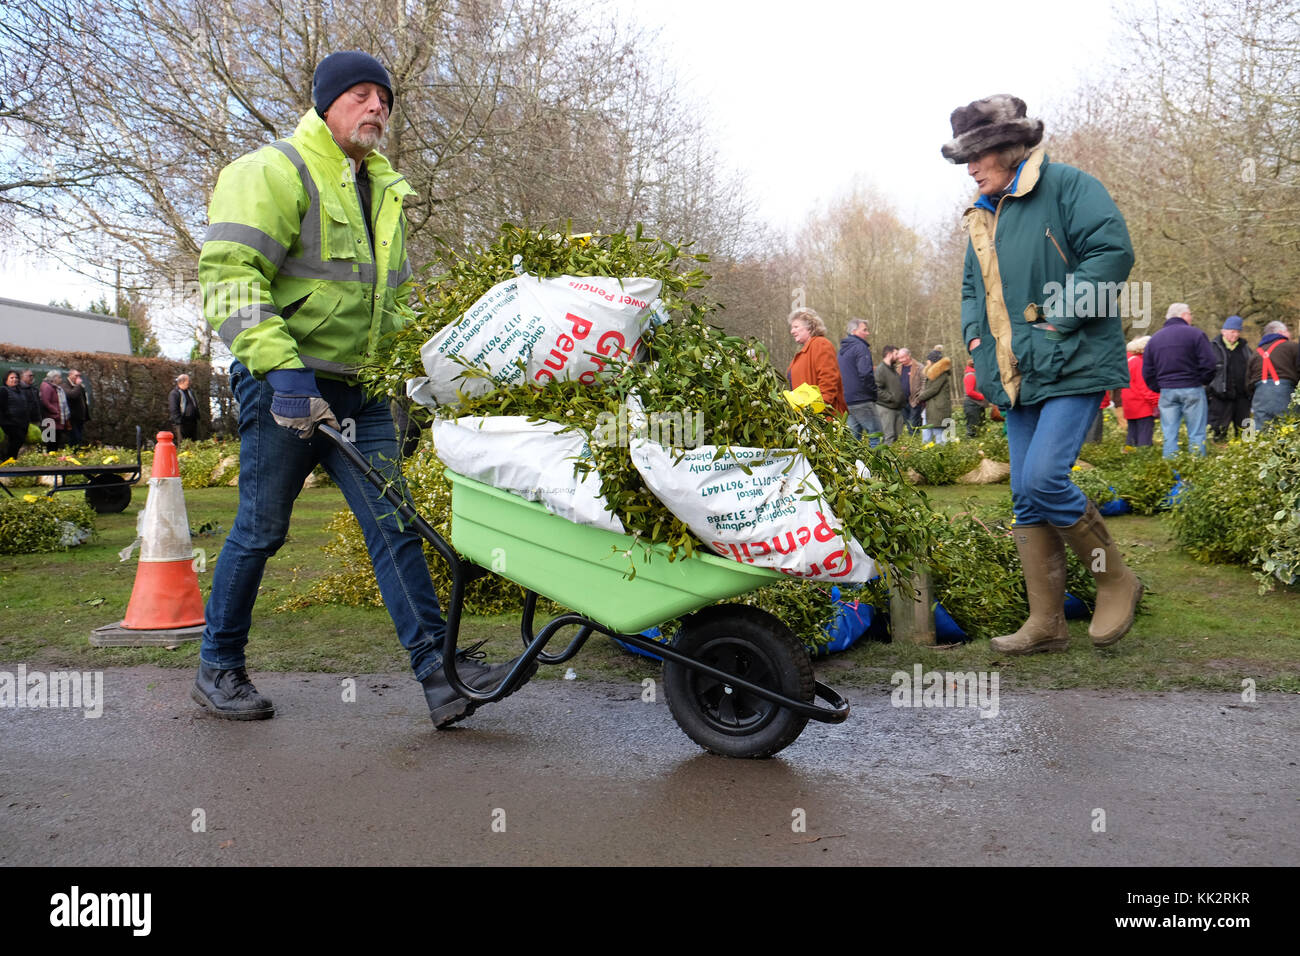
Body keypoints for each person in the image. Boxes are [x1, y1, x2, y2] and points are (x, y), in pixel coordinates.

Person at [195, 50, 534, 726]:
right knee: (262, 530)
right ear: (325, 103)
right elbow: (231, 279)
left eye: (384, 98)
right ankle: (217, 668)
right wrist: (287, 377)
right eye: (359, 94)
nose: (376, 106)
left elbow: (396, 303)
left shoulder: (386, 193)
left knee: (395, 526)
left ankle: (442, 677)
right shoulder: (272, 172)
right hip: (285, 388)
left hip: (362, 392)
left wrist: (415, 381)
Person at [945, 93, 1142, 655]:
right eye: (966, 160)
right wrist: (979, 344)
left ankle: (1115, 578)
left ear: (1007, 149)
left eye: (977, 156)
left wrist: (1059, 316)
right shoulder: (983, 213)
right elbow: (970, 290)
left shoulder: (1070, 186)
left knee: (1043, 480)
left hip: (1073, 361)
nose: (971, 168)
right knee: (1025, 498)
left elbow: (1111, 253)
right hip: (1015, 374)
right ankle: (1047, 623)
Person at [1142, 303, 1216, 457]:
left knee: (1169, 435)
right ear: (1183, 315)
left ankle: (1172, 472)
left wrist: (1159, 386)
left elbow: (1147, 370)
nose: (1191, 317)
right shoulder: (1196, 334)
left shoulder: (1155, 339)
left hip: (1167, 390)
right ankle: (1196, 469)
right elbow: (1209, 363)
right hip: (1192, 387)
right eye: (1190, 314)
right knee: (1196, 433)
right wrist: (1202, 381)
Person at [786, 307, 847, 414]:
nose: (792, 331)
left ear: (810, 327)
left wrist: (819, 408)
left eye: (796, 326)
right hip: (808, 415)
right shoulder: (805, 352)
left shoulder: (820, 344)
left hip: (822, 416)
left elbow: (828, 378)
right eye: (792, 328)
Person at [1247, 320, 1299, 431]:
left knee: (1263, 435)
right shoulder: (1293, 347)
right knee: (1289, 432)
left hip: (1260, 398)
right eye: (1288, 331)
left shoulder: (1256, 353)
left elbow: (1247, 383)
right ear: (1281, 332)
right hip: (1286, 395)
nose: (1290, 334)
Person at [837, 318, 881, 444]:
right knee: (875, 436)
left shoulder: (841, 351)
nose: (868, 333)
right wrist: (873, 393)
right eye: (865, 330)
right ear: (854, 330)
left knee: (853, 440)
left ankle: (854, 464)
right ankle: (877, 463)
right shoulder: (861, 348)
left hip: (847, 400)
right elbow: (866, 374)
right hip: (862, 399)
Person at [1208, 316, 1250, 442]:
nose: (1236, 334)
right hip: (1220, 398)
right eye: (1233, 331)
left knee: (1246, 433)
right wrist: (1210, 390)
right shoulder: (1213, 347)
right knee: (1218, 432)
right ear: (1223, 331)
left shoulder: (1245, 348)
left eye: (1238, 331)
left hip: (1242, 398)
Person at [1121, 335, 1158, 446]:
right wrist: (1156, 402)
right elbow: (1145, 387)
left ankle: (1129, 458)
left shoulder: (1129, 361)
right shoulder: (1140, 363)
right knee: (1144, 437)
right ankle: (1144, 460)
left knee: (1132, 436)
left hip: (1130, 405)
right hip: (1142, 406)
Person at [915, 349, 953, 443]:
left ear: (933, 361)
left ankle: (941, 454)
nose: (926, 362)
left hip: (938, 408)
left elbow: (933, 390)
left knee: (939, 434)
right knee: (926, 431)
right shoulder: (934, 374)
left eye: (928, 360)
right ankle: (926, 452)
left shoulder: (941, 374)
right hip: (931, 408)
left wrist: (919, 398)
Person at [873, 345, 905, 444]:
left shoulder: (893, 369)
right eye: (896, 354)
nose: (898, 357)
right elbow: (876, 389)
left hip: (897, 408)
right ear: (889, 354)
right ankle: (885, 458)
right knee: (888, 436)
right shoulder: (881, 369)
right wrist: (891, 398)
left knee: (896, 436)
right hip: (886, 408)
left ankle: (894, 457)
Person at [38, 371, 70, 451]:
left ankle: (52, 456)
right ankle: (49, 458)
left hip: (56, 419)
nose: (61, 379)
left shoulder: (55, 387)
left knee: (56, 439)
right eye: (59, 377)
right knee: (51, 441)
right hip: (51, 419)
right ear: (54, 378)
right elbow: (45, 401)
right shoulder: (47, 387)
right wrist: (55, 411)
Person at [897, 348, 924, 433]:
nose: (900, 360)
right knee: (908, 422)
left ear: (909, 356)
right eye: (899, 358)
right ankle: (913, 438)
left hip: (915, 400)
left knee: (913, 422)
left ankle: (914, 439)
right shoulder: (898, 368)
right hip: (902, 400)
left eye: (902, 357)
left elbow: (924, 382)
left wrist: (920, 396)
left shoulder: (919, 367)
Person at [1, 370, 27, 459]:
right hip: (10, 424)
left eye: (16, 377)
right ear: (6, 380)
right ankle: (7, 463)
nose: (14, 379)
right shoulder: (3, 390)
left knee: (18, 444)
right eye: (11, 378)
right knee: (12, 444)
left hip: (22, 424)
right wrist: (6, 422)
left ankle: (12, 462)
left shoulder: (21, 392)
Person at [168, 373, 202, 442]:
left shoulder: (190, 392)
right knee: (183, 443)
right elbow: (173, 409)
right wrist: (179, 421)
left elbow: (195, 404)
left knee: (194, 441)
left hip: (192, 422)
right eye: (188, 381)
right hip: (182, 423)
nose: (189, 382)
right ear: (182, 382)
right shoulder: (174, 393)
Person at [61, 369, 89, 446]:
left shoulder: (78, 386)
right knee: (74, 437)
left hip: (80, 417)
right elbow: (71, 395)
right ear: (70, 375)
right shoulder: (65, 385)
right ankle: (72, 453)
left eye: (79, 376)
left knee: (79, 437)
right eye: (76, 376)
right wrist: (78, 385)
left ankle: (77, 452)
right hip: (72, 417)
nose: (78, 378)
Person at [962, 357, 988, 437]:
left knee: (979, 429)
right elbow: (969, 392)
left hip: (977, 405)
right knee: (973, 430)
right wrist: (982, 397)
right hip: (972, 405)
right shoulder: (970, 375)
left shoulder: (975, 374)